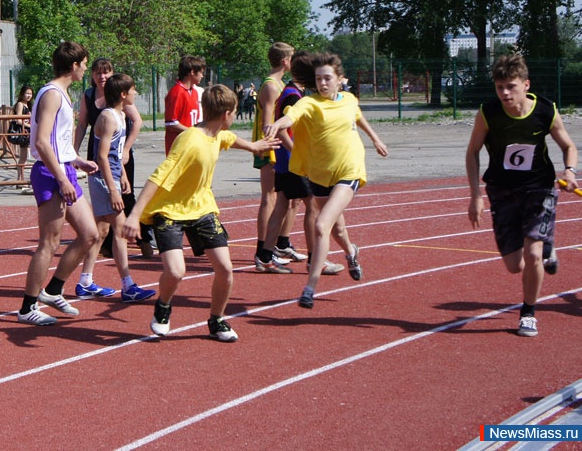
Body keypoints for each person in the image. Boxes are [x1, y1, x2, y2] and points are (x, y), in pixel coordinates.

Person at [122, 85, 280, 342]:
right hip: (169, 211)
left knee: (225, 270)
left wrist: (254, 146)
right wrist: (133, 216)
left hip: (202, 208)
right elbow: (159, 177)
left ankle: (216, 319)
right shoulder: (190, 141)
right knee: (175, 272)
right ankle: (163, 306)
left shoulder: (217, 133)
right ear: (228, 113)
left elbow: (228, 139)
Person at [466, 53, 577, 337]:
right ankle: (547, 247)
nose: (504, 93)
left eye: (510, 86)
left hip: (539, 188)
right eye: (499, 86)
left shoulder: (544, 110)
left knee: (534, 254)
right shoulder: (488, 113)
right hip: (502, 190)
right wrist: (476, 195)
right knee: (515, 266)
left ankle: (528, 312)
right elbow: (472, 152)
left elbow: (568, 146)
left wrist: (569, 171)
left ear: (525, 84)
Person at [266, 52, 387, 310]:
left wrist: (375, 139)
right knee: (337, 230)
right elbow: (291, 116)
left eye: (328, 78)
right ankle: (352, 252)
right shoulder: (310, 104)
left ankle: (310, 287)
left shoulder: (350, 100)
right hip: (320, 174)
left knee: (321, 224)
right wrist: (278, 124)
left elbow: (358, 116)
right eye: (319, 79)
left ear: (340, 80)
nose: (322, 83)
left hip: (349, 171)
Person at [17, 42, 100, 326]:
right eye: (85, 64)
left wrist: (76, 161)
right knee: (49, 242)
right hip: (51, 174)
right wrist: (63, 177)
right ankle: (28, 306)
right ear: (74, 65)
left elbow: (58, 142)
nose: (86, 69)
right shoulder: (51, 94)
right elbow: (41, 141)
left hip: (64, 169)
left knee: (90, 234)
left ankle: (53, 289)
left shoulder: (64, 94)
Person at [75, 74, 157, 303]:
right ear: (123, 94)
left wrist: (122, 175)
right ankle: (128, 286)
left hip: (110, 176)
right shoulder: (109, 118)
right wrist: (112, 188)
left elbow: (115, 152)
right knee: (120, 231)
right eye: (133, 89)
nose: (136, 93)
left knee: (101, 232)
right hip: (102, 179)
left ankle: (85, 281)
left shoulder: (121, 115)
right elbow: (101, 156)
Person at [73, 57, 150, 258]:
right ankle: (106, 245)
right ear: (92, 75)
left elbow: (137, 121)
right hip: (99, 153)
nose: (102, 76)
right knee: (105, 205)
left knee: (126, 195)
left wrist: (126, 149)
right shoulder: (89, 96)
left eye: (106, 72)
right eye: (98, 72)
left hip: (119, 154)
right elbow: (82, 125)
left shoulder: (118, 96)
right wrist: (73, 152)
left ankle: (143, 239)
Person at [252, 42, 294, 271]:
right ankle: (262, 250)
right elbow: (268, 123)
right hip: (270, 147)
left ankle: (274, 247)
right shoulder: (270, 86)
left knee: (282, 199)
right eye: (292, 58)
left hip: (278, 146)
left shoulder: (280, 84)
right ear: (285, 61)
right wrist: (269, 148)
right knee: (269, 197)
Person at [163, 55, 205, 155]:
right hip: (178, 145)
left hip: (191, 143)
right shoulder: (177, 92)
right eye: (201, 73)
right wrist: (192, 131)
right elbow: (171, 123)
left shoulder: (194, 91)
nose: (202, 76)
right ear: (192, 72)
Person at [11, 85, 33, 192]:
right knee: (23, 157)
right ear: (22, 94)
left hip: (27, 132)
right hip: (23, 132)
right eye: (27, 93)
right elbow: (18, 120)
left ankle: (20, 180)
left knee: (23, 157)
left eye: (30, 93)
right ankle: (20, 180)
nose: (29, 95)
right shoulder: (20, 104)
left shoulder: (28, 105)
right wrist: (30, 126)